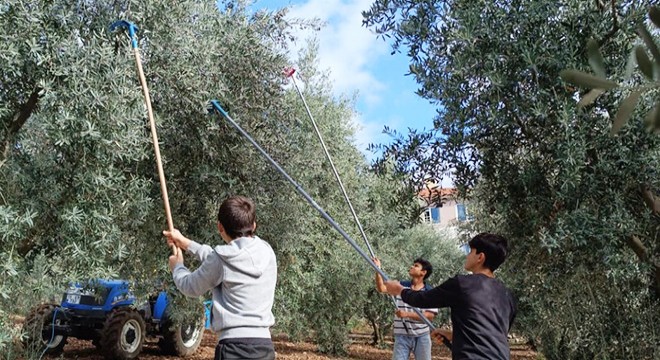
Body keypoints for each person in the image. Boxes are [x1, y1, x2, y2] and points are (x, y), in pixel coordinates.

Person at [164, 195, 277, 360]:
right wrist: (185, 243)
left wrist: (177, 267)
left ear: (220, 227)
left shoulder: (221, 259)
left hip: (233, 348)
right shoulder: (267, 252)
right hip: (264, 347)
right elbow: (220, 260)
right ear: (254, 225)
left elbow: (190, 286)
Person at [383, 233, 516, 360]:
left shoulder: (462, 284)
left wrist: (400, 290)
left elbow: (423, 299)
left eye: (470, 251)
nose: (467, 255)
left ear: (480, 257)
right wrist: (453, 336)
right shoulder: (507, 295)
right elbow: (494, 333)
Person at [374, 257, 438, 360]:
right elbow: (381, 288)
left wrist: (406, 314)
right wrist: (377, 269)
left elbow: (429, 316)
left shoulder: (429, 292)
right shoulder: (401, 286)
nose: (412, 266)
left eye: (416, 266)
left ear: (423, 272)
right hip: (402, 335)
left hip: (422, 336)